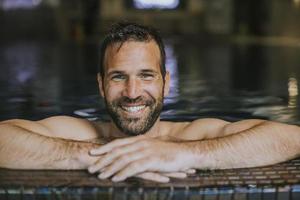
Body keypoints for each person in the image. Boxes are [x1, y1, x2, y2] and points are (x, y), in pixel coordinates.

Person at [0, 22, 300, 183]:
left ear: (166, 83)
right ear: (101, 86)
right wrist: (98, 155)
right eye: (118, 77)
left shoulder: (191, 136)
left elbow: (293, 138)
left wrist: (188, 155)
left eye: (146, 75)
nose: (132, 92)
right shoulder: (78, 133)